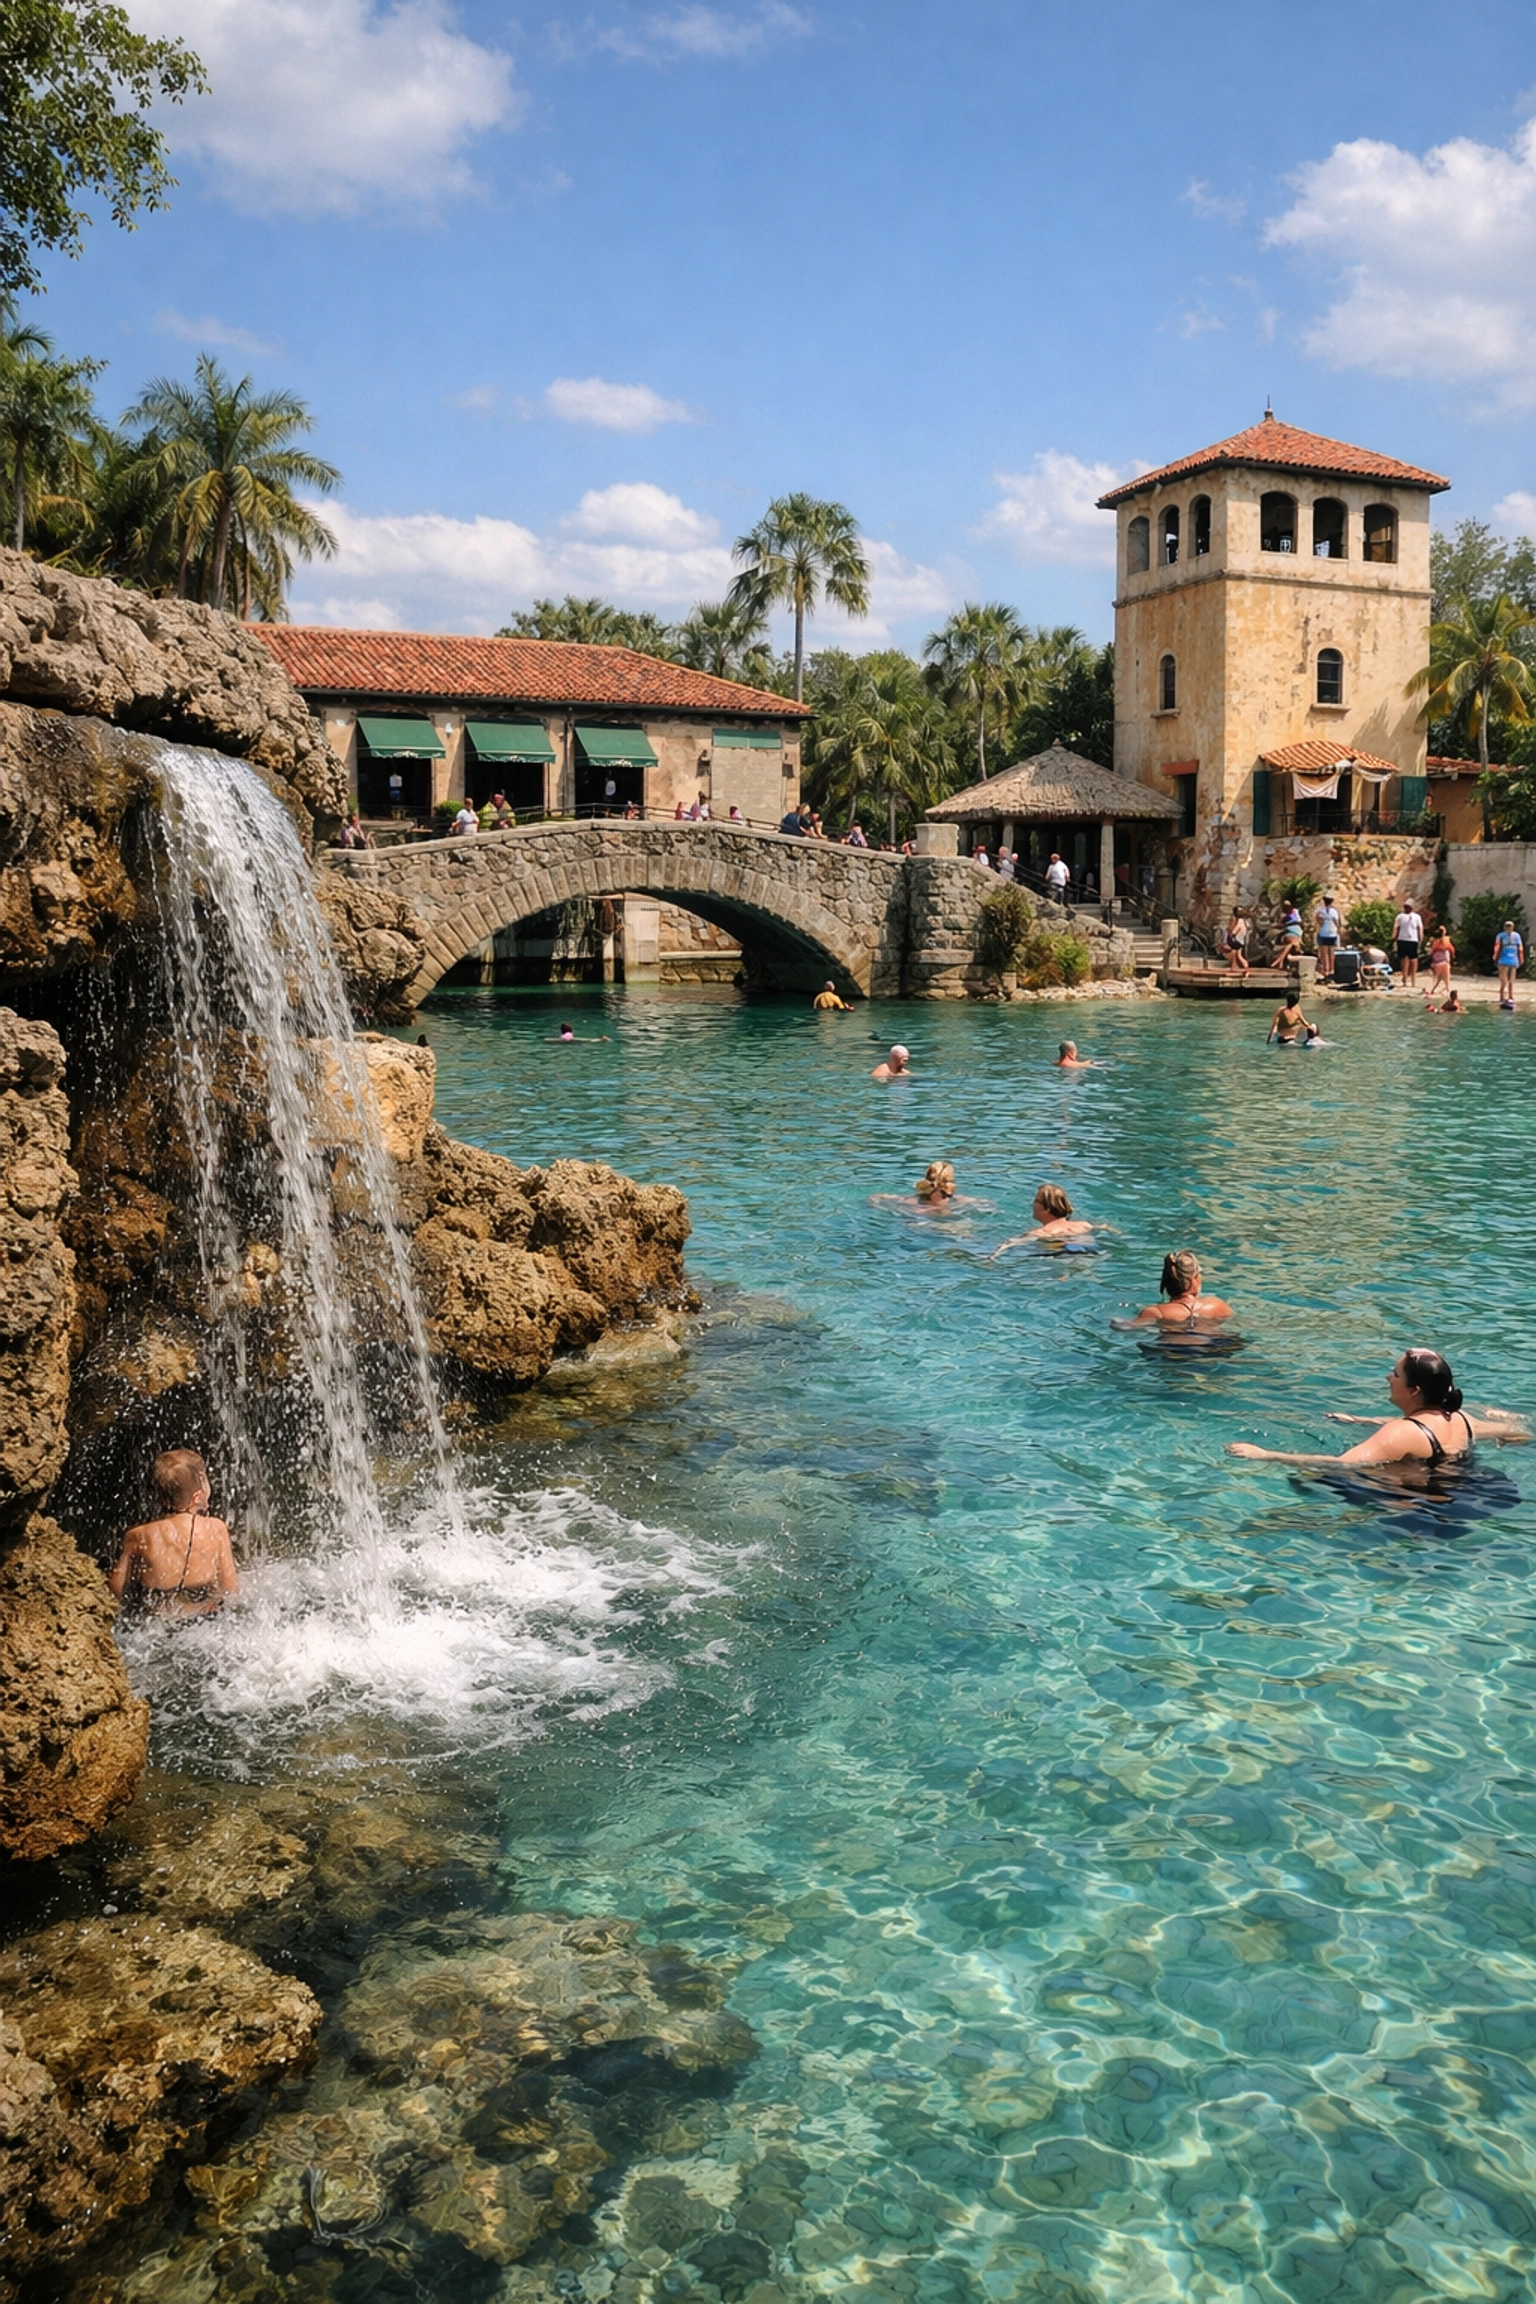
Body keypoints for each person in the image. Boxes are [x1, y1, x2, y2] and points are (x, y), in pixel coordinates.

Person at [1229, 1349, 1526, 1469]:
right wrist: (1360, 1420)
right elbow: (1518, 1432)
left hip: (1412, 1511)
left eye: (1395, 1374)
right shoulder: (1461, 1418)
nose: (1388, 1378)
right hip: (1456, 1494)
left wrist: (1265, 1455)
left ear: (1414, 1390)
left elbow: (1343, 1464)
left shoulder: (1398, 1433)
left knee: (1307, 1485)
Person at [109, 1449, 238, 1620]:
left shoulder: (138, 1535)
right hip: (205, 1616)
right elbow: (230, 1589)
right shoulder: (215, 1528)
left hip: (157, 1618)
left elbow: (116, 1587)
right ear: (198, 1496)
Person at [1120, 1250, 1232, 1332]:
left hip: (1177, 1350)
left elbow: (1126, 1327)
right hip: (1218, 1345)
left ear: (1166, 1283)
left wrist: (1114, 1321)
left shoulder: (1156, 1312)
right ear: (1196, 1279)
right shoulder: (1216, 1305)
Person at [990, 1184, 1096, 1255]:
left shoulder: (1042, 1232)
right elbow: (1106, 1228)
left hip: (1063, 1254)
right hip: (1089, 1252)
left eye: (1036, 1201)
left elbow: (1009, 1243)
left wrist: (992, 1257)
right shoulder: (1084, 1225)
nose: (1032, 1204)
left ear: (1046, 1209)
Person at [1392, 900, 1424, 987]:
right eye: (1406, 906)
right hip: (1402, 939)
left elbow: (1419, 928)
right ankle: (1405, 978)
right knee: (1404, 959)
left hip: (1413, 940)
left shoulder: (1417, 917)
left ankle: (1413, 980)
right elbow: (1396, 927)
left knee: (1413, 959)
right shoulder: (1400, 917)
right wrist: (1393, 937)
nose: (1407, 908)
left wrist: (1420, 938)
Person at [1494, 917, 1524, 1008]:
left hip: (1513, 959)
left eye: (1510, 926)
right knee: (1504, 980)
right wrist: (1496, 958)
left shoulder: (1517, 936)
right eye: (1507, 926)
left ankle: (1511, 995)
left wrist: (1521, 958)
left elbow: (1520, 948)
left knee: (1511, 980)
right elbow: (1497, 947)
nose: (1508, 928)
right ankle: (1502, 996)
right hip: (1503, 959)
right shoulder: (1500, 936)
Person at [1314, 894, 1342, 979]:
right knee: (1331, 952)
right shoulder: (1334, 911)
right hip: (1332, 933)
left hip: (1324, 933)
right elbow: (1337, 922)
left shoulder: (1321, 911)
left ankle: (1325, 970)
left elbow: (1319, 921)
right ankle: (1331, 969)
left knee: (1324, 953)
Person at [1427, 925, 1455, 994]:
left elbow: (1432, 952)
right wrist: (1453, 957)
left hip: (1437, 962)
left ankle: (1433, 989)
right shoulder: (1447, 940)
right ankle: (1447, 989)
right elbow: (1452, 949)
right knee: (1446, 978)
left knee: (1438, 978)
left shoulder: (1435, 942)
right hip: (1445, 962)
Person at [1222, 910, 1250, 977]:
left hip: (1238, 942)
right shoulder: (1243, 922)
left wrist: (1231, 932)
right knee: (1235, 954)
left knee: (1239, 956)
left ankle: (1246, 969)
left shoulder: (1240, 922)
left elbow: (1235, 931)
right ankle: (1234, 966)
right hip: (1239, 941)